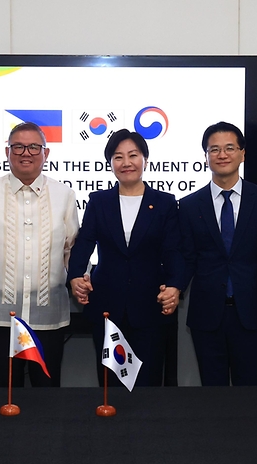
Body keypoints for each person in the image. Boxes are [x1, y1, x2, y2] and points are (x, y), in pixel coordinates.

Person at [0, 122, 79, 387]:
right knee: (5, 391)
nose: (26, 153)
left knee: (47, 394)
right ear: (7, 152)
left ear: (46, 153)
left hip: (49, 318)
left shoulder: (64, 194)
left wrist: (81, 280)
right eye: (18, 146)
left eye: (34, 147)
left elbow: (72, 250)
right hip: (0, 317)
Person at [68, 129, 184, 387]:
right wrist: (75, 275)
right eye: (118, 157)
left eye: (133, 155)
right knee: (110, 384)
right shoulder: (99, 201)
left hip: (151, 303)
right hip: (107, 303)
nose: (126, 162)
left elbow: (173, 250)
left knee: (148, 379)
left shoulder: (164, 203)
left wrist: (175, 285)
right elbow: (84, 242)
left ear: (145, 159)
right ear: (110, 163)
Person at [176, 121, 257, 386]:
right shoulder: (188, 205)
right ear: (206, 156)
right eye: (214, 149)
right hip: (207, 315)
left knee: (249, 390)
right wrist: (175, 287)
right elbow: (187, 258)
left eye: (230, 148)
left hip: (251, 312)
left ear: (243, 153)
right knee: (212, 392)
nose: (222, 155)